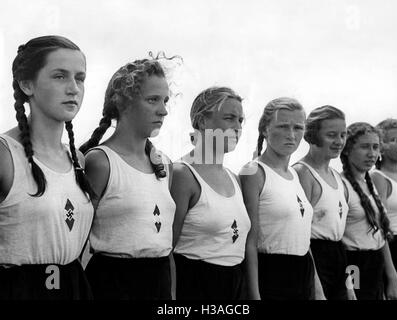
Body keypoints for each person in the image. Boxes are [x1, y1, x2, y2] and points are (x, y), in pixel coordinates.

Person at [0, 35, 94, 299]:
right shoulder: (5, 155)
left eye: (80, 78)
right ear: (27, 84)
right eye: (60, 76)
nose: (74, 88)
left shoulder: (77, 159)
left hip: (74, 286)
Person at [80, 56, 175, 300]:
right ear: (122, 102)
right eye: (152, 100)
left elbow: (164, 240)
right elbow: (76, 244)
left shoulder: (165, 164)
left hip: (159, 281)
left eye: (165, 100)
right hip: (113, 284)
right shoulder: (100, 162)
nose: (163, 110)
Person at [171, 87, 250, 300]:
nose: (237, 127)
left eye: (240, 120)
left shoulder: (234, 178)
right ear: (202, 121)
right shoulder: (183, 174)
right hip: (195, 286)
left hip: (234, 287)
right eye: (229, 118)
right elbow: (165, 249)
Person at [240, 97, 314, 300]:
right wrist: (254, 296)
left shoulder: (295, 175)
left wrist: (317, 289)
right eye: (283, 126)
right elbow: (250, 241)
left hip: (303, 274)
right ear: (265, 129)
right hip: (272, 274)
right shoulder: (253, 172)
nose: (291, 135)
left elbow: (304, 238)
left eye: (298, 128)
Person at [293, 105, 355, 300]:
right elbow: (300, 236)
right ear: (311, 135)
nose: (339, 141)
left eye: (343, 135)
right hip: (315, 258)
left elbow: (340, 236)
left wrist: (350, 286)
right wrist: (317, 287)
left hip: (338, 257)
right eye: (331, 135)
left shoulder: (338, 178)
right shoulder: (303, 173)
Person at [340, 122, 397, 300]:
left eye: (375, 147)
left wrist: (392, 277)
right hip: (354, 263)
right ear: (347, 149)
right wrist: (349, 286)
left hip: (375, 263)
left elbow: (380, 234)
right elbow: (338, 240)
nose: (372, 153)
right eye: (365, 147)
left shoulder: (369, 184)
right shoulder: (341, 185)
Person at [371, 118, 397, 299]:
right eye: (394, 140)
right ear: (381, 145)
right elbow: (380, 228)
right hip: (395, 251)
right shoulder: (378, 177)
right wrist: (392, 275)